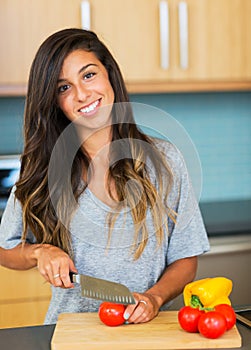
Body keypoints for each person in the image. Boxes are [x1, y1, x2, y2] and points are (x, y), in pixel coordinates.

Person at [0, 28, 210, 325]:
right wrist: (40, 252)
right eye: (63, 88)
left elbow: (186, 259)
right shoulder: (41, 168)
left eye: (88, 75)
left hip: (148, 334)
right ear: (54, 102)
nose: (82, 94)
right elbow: (5, 249)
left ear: (109, 74)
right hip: (70, 334)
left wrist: (154, 297)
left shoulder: (165, 160)